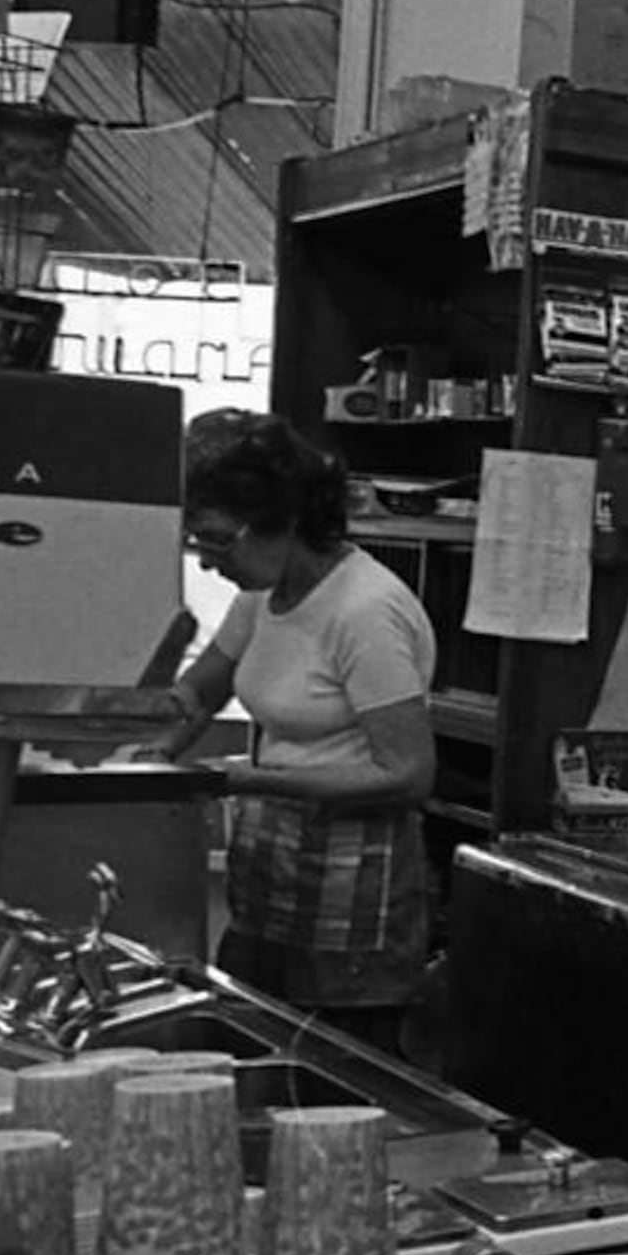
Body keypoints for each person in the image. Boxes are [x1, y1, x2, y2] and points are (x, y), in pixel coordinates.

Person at [157, 415, 439, 1053]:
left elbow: (407, 773)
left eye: (219, 540)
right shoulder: (263, 592)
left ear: (282, 518)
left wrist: (246, 779)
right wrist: (152, 747)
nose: (208, 560)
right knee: (251, 1043)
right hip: (270, 875)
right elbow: (200, 692)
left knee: (333, 1069)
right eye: (196, 541)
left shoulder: (365, 611)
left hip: (352, 895)